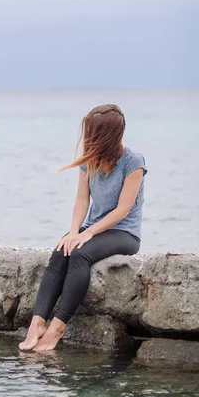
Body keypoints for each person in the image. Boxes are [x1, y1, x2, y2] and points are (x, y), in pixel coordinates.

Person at [19, 103, 147, 353]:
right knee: (61, 250)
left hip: (124, 232)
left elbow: (122, 210)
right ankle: (37, 324)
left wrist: (88, 234)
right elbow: (81, 200)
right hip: (92, 228)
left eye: (92, 133)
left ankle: (58, 327)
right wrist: (75, 231)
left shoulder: (133, 162)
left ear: (108, 136)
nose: (87, 138)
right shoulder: (89, 161)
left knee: (80, 253)